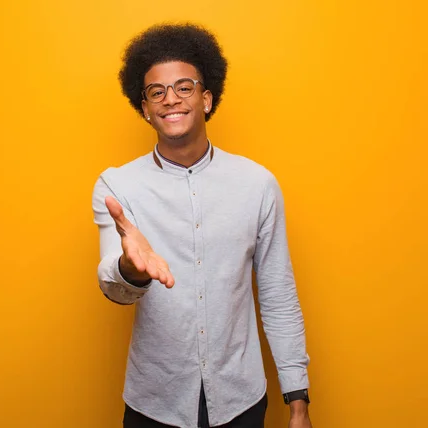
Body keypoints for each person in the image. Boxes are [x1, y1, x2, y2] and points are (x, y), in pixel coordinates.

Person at [92, 23, 313, 428]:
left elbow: (279, 296)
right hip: (154, 403)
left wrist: (297, 400)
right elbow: (113, 287)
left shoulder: (257, 184)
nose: (170, 99)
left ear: (206, 98)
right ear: (144, 107)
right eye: (156, 92)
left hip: (241, 401)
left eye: (184, 87)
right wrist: (130, 270)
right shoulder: (117, 187)